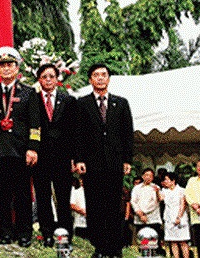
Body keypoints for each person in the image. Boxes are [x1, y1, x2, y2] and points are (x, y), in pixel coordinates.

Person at [75, 63, 133, 258]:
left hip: (115, 163)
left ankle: (115, 248)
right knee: (95, 205)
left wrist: (127, 160)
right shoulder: (82, 103)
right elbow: (78, 134)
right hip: (91, 164)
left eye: (103, 74)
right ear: (90, 79)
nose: (100, 78)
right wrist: (79, 159)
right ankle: (99, 246)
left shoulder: (121, 103)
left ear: (108, 78)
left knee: (114, 205)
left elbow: (127, 133)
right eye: (96, 75)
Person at [0, 46, 40, 247]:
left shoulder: (29, 93)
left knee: (22, 195)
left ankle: (24, 233)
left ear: (17, 67)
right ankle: (5, 232)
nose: (6, 68)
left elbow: (35, 125)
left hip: (20, 151)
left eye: (10, 64)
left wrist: (33, 148)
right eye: (2, 65)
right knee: (0, 195)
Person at [33, 62, 77, 247]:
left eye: (51, 76)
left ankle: (65, 234)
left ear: (57, 78)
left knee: (63, 198)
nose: (48, 80)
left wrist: (75, 157)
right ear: (39, 80)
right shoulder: (33, 100)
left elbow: (75, 131)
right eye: (44, 77)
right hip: (40, 156)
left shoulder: (68, 100)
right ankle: (47, 233)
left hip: (63, 157)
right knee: (43, 197)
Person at [159, 171, 190, 258]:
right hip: (169, 218)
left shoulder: (181, 190)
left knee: (183, 241)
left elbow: (183, 204)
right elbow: (160, 199)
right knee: (173, 241)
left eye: (166, 180)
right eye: (164, 180)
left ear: (173, 181)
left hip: (180, 217)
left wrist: (179, 217)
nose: (165, 182)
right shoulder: (164, 191)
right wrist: (157, 190)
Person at [130, 168, 162, 242]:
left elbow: (159, 200)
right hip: (140, 218)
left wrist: (157, 192)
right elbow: (133, 202)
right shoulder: (136, 188)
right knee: (142, 241)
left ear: (153, 178)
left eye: (150, 176)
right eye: (146, 175)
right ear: (143, 176)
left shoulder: (156, 187)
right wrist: (141, 215)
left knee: (154, 240)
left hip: (153, 218)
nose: (148, 177)